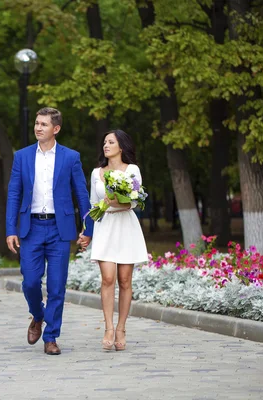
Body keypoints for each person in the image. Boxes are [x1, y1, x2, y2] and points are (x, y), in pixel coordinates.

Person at [6, 107, 94, 356]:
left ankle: (51, 336)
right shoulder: (21, 156)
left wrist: (88, 228)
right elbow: (14, 193)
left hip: (59, 229)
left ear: (56, 129)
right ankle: (38, 315)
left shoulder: (70, 157)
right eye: (36, 123)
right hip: (31, 228)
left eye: (43, 124)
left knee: (57, 286)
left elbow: (81, 194)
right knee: (30, 282)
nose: (38, 128)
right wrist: (11, 228)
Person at [81, 129, 148, 351]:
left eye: (111, 142)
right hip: (105, 226)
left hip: (126, 225)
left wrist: (116, 203)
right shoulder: (95, 173)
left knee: (125, 279)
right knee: (108, 278)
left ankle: (121, 328)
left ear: (122, 147)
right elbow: (92, 204)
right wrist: (87, 232)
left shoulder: (133, 170)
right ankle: (108, 327)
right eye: (104, 142)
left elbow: (136, 202)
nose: (106, 145)